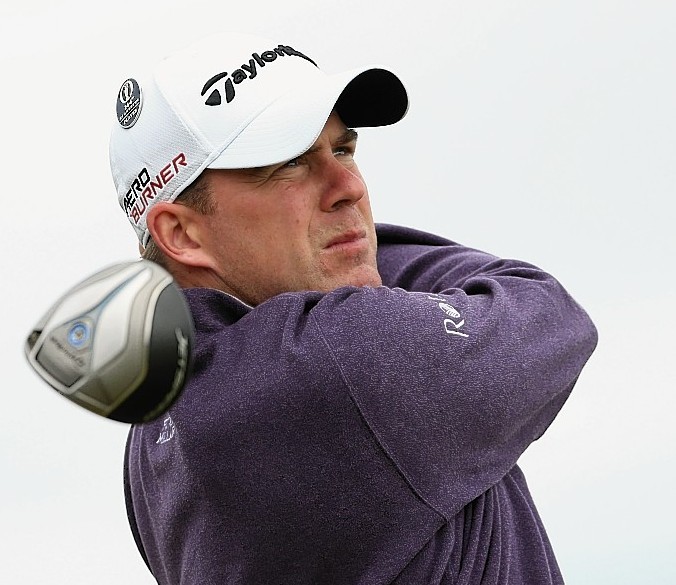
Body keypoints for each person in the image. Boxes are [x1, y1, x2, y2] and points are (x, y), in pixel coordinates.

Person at [111, 32, 598, 584]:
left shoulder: (150, 447)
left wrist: (329, 254)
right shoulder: (341, 359)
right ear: (181, 232)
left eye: (343, 149)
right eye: (288, 163)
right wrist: (348, 259)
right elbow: (546, 311)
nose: (350, 187)